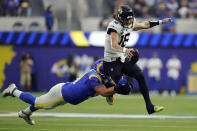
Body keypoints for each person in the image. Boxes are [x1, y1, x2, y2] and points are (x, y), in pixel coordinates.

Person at [1, 59, 129, 125]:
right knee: (38, 102)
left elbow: (110, 84)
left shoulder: (102, 75)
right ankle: (14, 90)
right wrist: (118, 88)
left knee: (42, 104)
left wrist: (120, 85)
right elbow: (104, 92)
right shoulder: (94, 78)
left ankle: (25, 113)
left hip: (67, 92)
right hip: (62, 94)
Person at [103, 5, 171, 114]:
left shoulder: (129, 22)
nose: (129, 21)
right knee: (126, 90)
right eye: (126, 19)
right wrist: (125, 50)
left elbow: (145, 24)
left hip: (121, 58)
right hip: (111, 62)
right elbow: (114, 44)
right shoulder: (114, 26)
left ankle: (150, 107)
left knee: (140, 76)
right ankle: (108, 90)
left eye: (130, 18)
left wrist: (161, 22)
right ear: (120, 18)